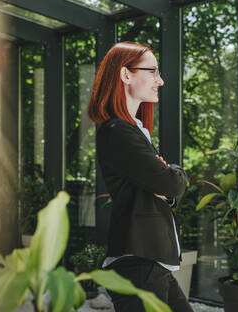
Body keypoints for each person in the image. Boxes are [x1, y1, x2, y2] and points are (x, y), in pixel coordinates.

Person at [87, 41, 193, 312]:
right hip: (139, 262)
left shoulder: (133, 131)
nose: (161, 80)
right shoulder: (118, 131)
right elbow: (170, 182)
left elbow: (164, 186)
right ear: (125, 75)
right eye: (153, 71)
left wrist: (166, 181)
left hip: (150, 262)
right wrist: (175, 173)